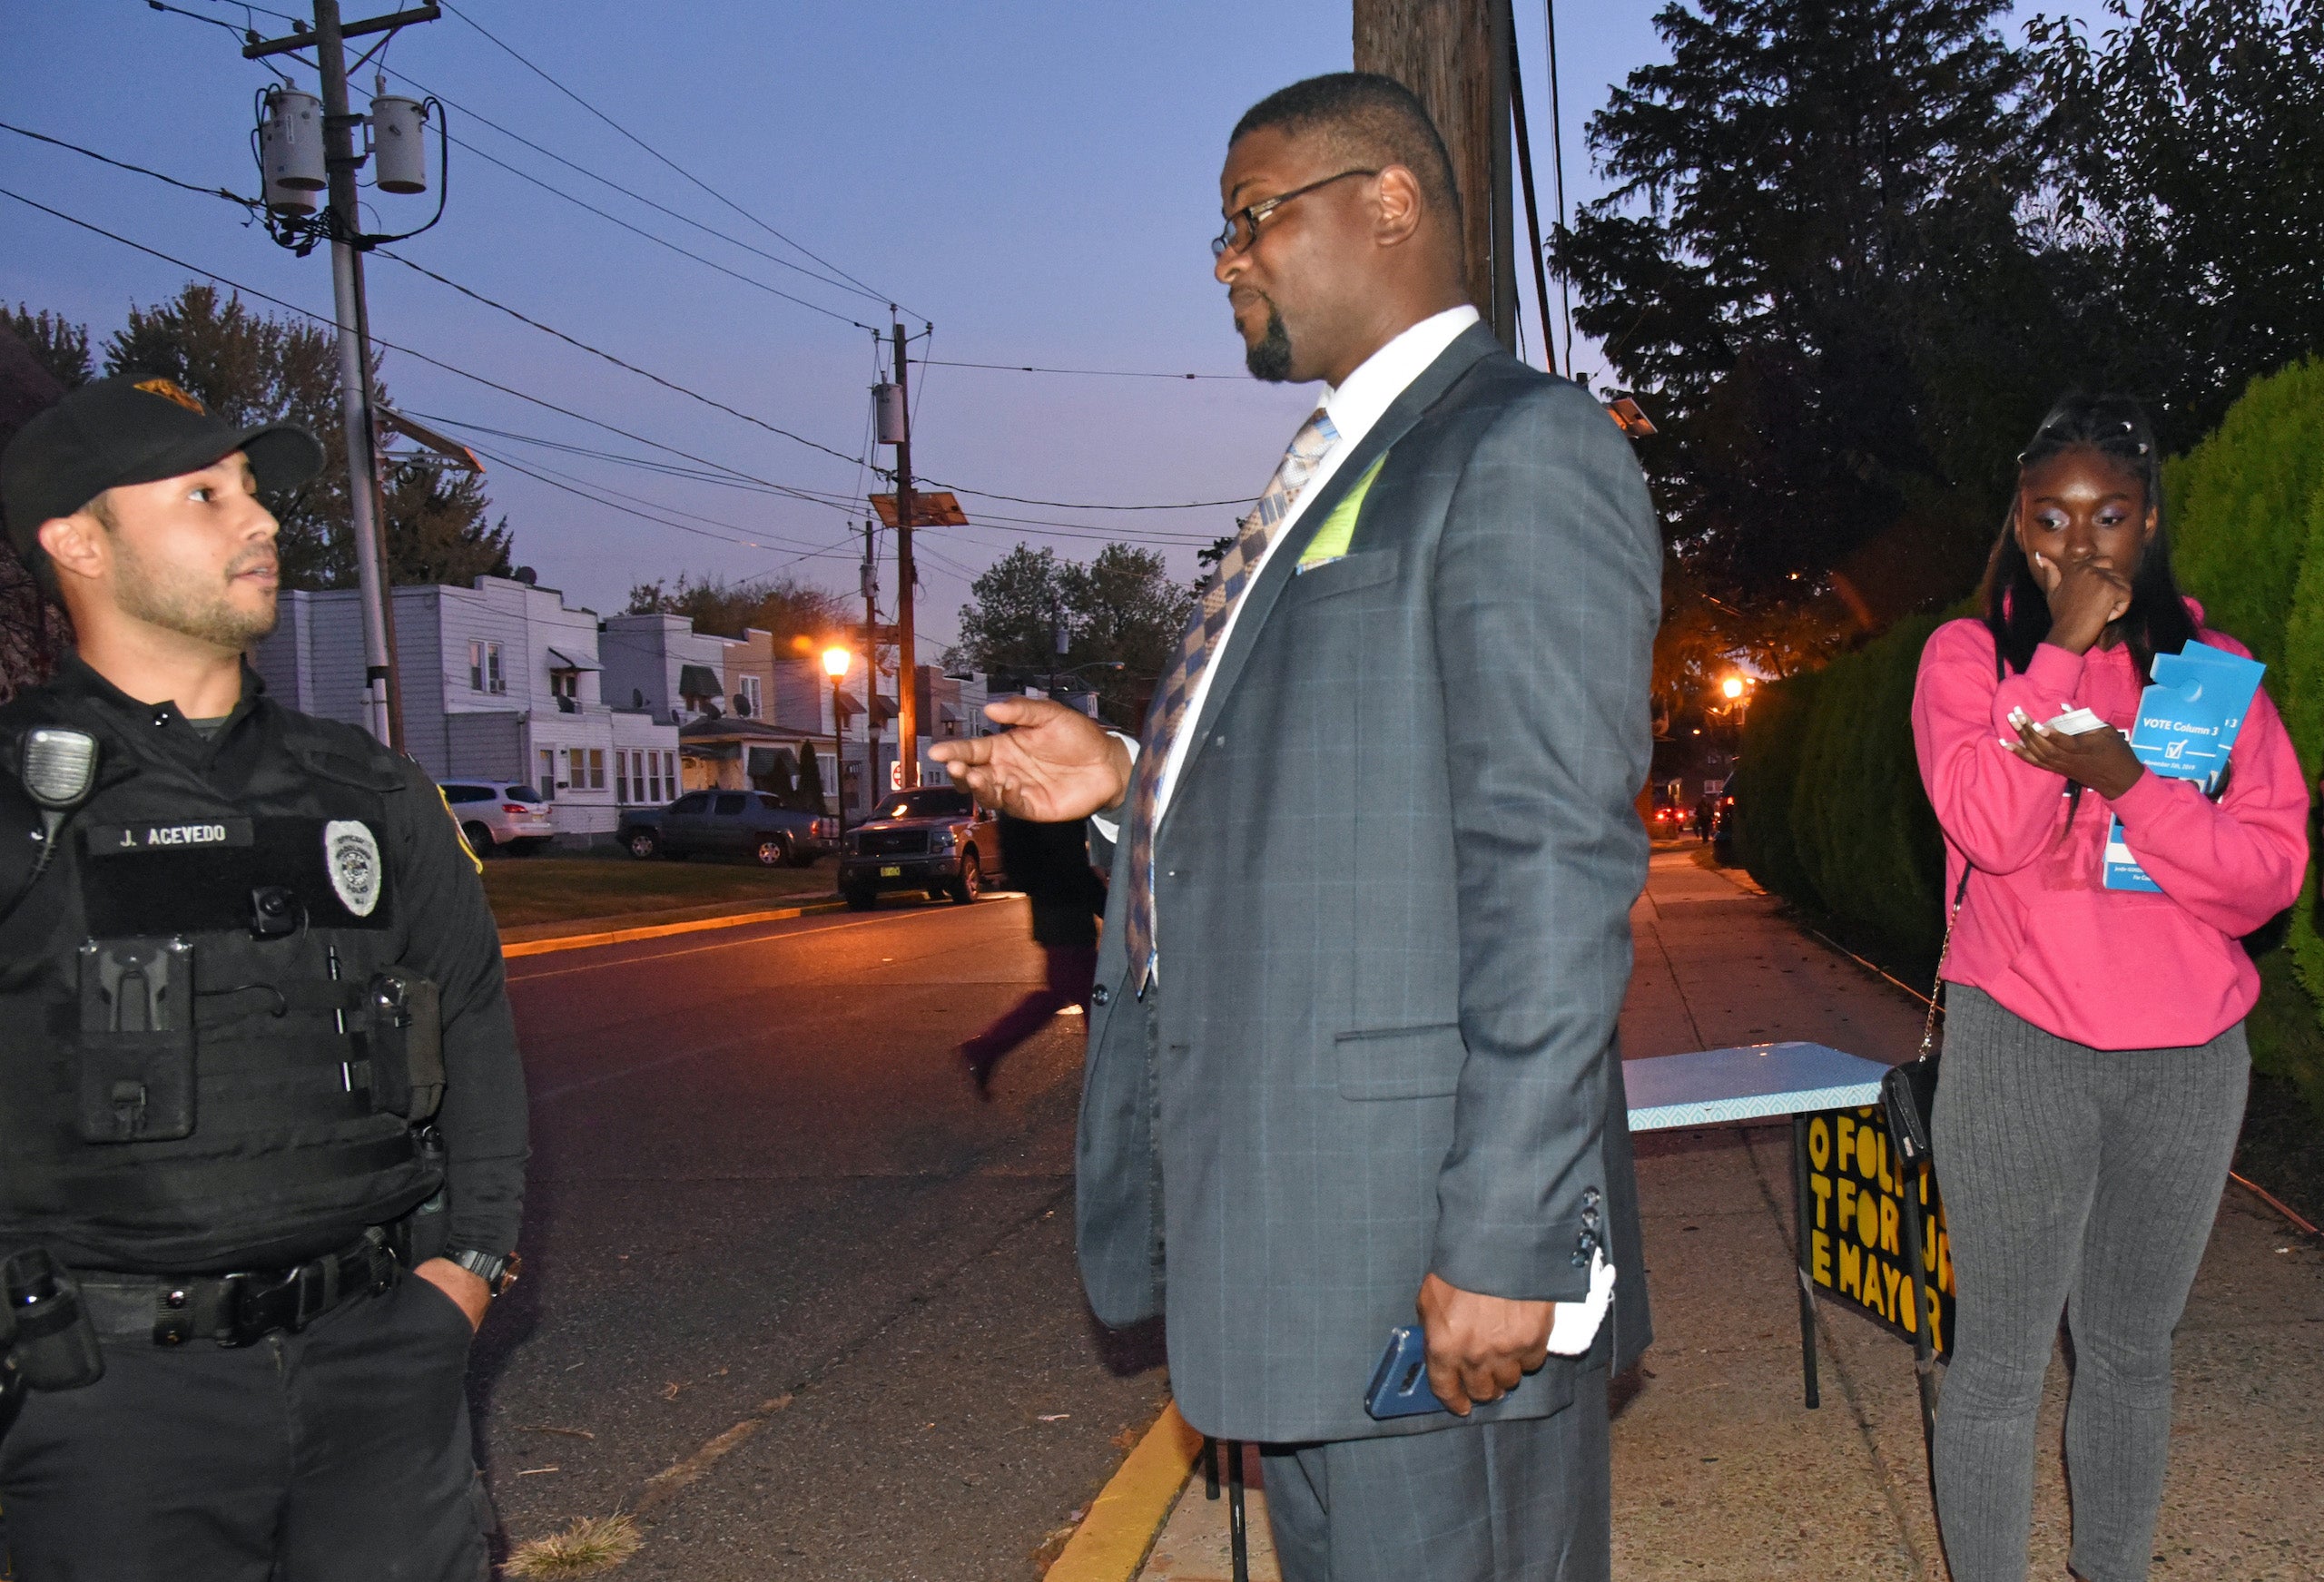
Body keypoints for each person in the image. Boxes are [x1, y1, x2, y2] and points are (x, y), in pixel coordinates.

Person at [931, 74, 1659, 1580]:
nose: (1224, 261)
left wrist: (1509, 1238)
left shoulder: (1514, 451)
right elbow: (1343, 801)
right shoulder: (1347, 466)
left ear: (1389, 201)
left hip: (1432, 1258)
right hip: (1321, 1253)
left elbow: (1553, 864)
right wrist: (1127, 778)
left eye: (1250, 217)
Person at [0, 373, 528, 1579]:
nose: (261, 520)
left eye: (252, 488)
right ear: (78, 541)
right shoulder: (18, 804)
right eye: (203, 493)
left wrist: (468, 1271)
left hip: (381, 1370)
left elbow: (477, 1029)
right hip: (111, 1403)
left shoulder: (370, 791)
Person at [1910, 394, 2307, 1582]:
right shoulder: (1970, 658)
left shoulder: (2210, 668)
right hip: (2020, 1039)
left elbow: (2266, 877)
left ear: (2148, 523)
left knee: (2132, 1347)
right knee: (2001, 1355)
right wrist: (2057, 654)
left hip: (2187, 1060)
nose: (2078, 544)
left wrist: (2133, 780)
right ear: (2018, 523)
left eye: (2110, 515)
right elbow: (1988, 820)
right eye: (2051, 516)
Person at [958, 811, 1106, 1096]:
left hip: (1053, 904)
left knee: (1070, 989)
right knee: (1091, 996)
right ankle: (1106, 1074)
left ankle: (987, 1048)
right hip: (1064, 905)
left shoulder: (1026, 802)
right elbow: (1068, 861)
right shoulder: (1050, 805)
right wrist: (1106, 903)